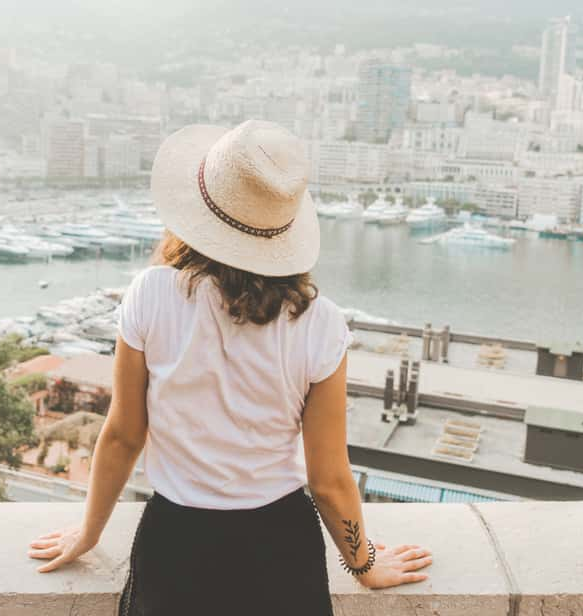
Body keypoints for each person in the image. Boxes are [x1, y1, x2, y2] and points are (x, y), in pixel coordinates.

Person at [27, 120, 432, 615]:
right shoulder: (319, 323)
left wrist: (89, 532)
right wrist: (365, 565)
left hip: (175, 543)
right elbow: (328, 477)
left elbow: (123, 434)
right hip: (283, 546)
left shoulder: (152, 295)